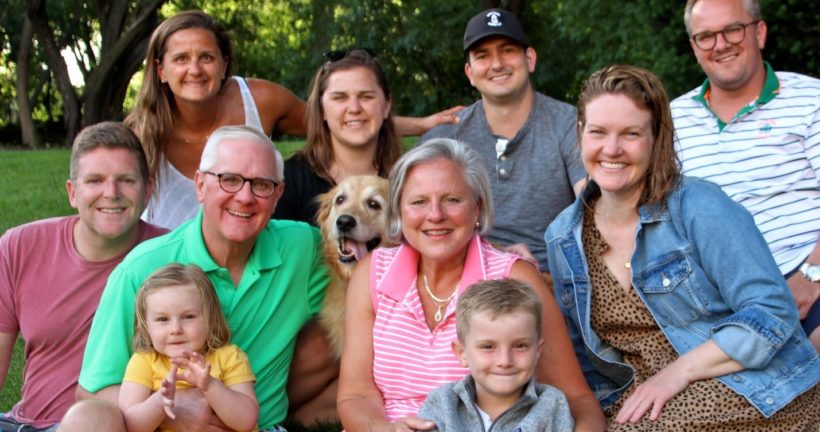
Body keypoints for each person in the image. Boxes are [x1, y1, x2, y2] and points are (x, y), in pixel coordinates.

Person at [546, 64, 820, 430]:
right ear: (580, 132)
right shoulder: (564, 237)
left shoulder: (699, 207)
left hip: (749, 386)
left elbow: (773, 311)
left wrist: (679, 372)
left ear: (656, 138)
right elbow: (582, 359)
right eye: (598, 132)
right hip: (640, 401)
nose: (611, 149)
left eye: (631, 133)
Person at [68, 125, 328, 432]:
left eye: (262, 184)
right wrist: (174, 411)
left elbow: (367, 287)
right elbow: (93, 391)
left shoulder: (303, 248)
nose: (245, 197)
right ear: (200, 185)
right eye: (229, 179)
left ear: (278, 195)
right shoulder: (141, 269)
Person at [338, 138, 605, 432]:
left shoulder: (515, 279)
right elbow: (355, 395)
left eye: (452, 199)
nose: (435, 215)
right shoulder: (373, 274)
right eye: (418, 202)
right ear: (400, 211)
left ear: (477, 208)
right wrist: (384, 430)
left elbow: (576, 399)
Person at [127, 10, 461, 230]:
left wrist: (422, 124)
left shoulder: (261, 100)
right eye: (181, 59)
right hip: (171, 265)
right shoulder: (142, 134)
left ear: (224, 63)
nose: (195, 69)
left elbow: (339, 123)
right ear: (160, 69)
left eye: (206, 57)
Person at [670, 0, 820, 350]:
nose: (720, 44)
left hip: (806, 275)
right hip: (722, 301)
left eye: (732, 30)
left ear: (759, 32)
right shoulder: (671, 121)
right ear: (694, 47)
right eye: (706, 36)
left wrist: (811, 277)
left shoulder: (811, 99)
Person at [0, 122, 165, 432]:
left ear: (148, 190)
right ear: (72, 193)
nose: (111, 193)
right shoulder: (19, 246)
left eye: (126, 180)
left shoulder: (172, 257)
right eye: (95, 180)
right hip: (22, 424)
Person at [420, 8, 585, 271]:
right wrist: (496, 253)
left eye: (507, 50)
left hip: (552, 275)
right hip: (465, 274)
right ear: (469, 73)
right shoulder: (446, 136)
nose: (497, 64)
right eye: (483, 56)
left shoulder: (568, 124)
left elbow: (594, 204)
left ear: (530, 59)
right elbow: (414, 219)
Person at [417, 278, 574, 431]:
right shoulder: (444, 403)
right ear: (462, 353)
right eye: (488, 347)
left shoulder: (551, 405)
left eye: (520, 346)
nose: (505, 361)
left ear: (537, 351)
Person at [119, 263, 257, 432]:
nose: (176, 329)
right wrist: (159, 402)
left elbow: (247, 421)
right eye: (163, 319)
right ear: (146, 326)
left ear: (210, 319)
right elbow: (130, 425)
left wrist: (210, 385)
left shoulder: (229, 357)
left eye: (189, 317)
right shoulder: (144, 362)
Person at [273, 48, 400, 225]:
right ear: (322, 109)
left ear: (386, 105)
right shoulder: (287, 180)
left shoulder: (409, 178)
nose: (354, 108)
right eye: (340, 98)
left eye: (366, 97)